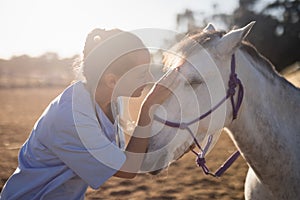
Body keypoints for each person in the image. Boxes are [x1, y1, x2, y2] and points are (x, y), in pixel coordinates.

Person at [0, 28, 178, 199]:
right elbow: (127, 168)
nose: (150, 80)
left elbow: (125, 155)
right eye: (141, 74)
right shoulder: (71, 118)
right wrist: (147, 109)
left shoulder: (112, 102)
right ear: (112, 81)